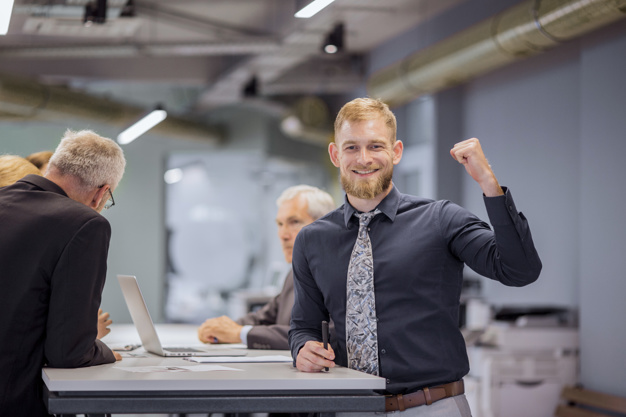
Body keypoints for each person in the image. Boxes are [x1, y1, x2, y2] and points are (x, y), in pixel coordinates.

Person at [288, 98, 542, 417]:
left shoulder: (440, 219)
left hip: (432, 407)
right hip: (348, 407)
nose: (363, 159)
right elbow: (303, 325)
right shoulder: (313, 240)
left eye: (376, 146)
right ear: (335, 154)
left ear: (396, 152)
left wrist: (488, 183)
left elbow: (520, 271)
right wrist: (302, 349)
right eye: (352, 147)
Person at [0, 129, 126, 417]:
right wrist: (102, 351)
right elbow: (68, 352)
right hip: (15, 399)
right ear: (101, 193)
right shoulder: (85, 223)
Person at [198, 185, 336, 350]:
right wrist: (220, 328)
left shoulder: (338, 274)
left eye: (294, 222)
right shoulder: (295, 274)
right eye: (279, 224)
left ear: (324, 225)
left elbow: (321, 336)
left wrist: (239, 333)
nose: (283, 235)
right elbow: (265, 317)